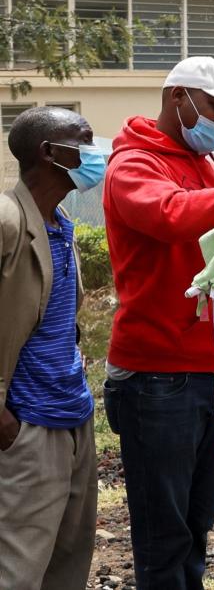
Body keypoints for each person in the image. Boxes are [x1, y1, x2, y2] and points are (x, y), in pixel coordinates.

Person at [102, 56, 214, 589]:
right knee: (163, 538)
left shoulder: (205, 162)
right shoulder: (133, 164)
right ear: (179, 98)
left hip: (207, 364)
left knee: (195, 526)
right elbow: (171, 216)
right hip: (157, 376)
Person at [0, 107, 103, 590]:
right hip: (26, 424)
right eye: (83, 142)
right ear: (48, 152)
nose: (94, 153)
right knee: (19, 565)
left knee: (69, 559)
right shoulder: (7, 221)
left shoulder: (59, 221)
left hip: (73, 416)